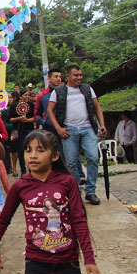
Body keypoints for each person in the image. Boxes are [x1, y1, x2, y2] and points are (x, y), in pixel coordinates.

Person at [0, 130, 102, 274]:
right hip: (36, 265)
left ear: (55, 155)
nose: (32, 155)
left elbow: (79, 221)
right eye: (28, 150)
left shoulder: (67, 182)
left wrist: (89, 259)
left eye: (40, 150)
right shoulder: (20, 186)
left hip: (67, 264)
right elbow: (3, 221)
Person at [48, 64, 107, 205]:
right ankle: (75, 192)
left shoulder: (87, 89)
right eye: (76, 75)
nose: (79, 77)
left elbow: (97, 106)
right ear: (68, 76)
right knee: (71, 163)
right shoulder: (59, 91)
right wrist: (58, 128)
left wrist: (102, 125)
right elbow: (50, 111)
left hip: (88, 129)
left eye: (80, 75)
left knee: (93, 157)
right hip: (69, 130)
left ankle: (91, 191)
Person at [9, 90, 35, 175]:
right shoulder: (14, 106)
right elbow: (10, 119)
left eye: (28, 95)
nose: (27, 97)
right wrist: (19, 119)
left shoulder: (31, 105)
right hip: (19, 130)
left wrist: (28, 120)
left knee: (31, 149)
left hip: (29, 129)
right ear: (21, 96)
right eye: (25, 95)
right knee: (21, 150)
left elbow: (36, 117)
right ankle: (23, 170)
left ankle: (31, 170)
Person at [35, 68, 62, 133]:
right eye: (56, 76)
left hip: (64, 128)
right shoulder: (42, 95)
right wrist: (45, 122)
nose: (59, 79)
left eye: (60, 76)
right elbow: (36, 115)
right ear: (49, 78)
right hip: (49, 130)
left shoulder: (66, 93)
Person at [2, 92, 19, 176]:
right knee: (6, 150)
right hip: (4, 132)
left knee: (14, 150)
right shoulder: (1, 109)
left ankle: (14, 168)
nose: (9, 100)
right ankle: (8, 167)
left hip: (13, 131)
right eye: (7, 98)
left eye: (11, 98)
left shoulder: (16, 108)